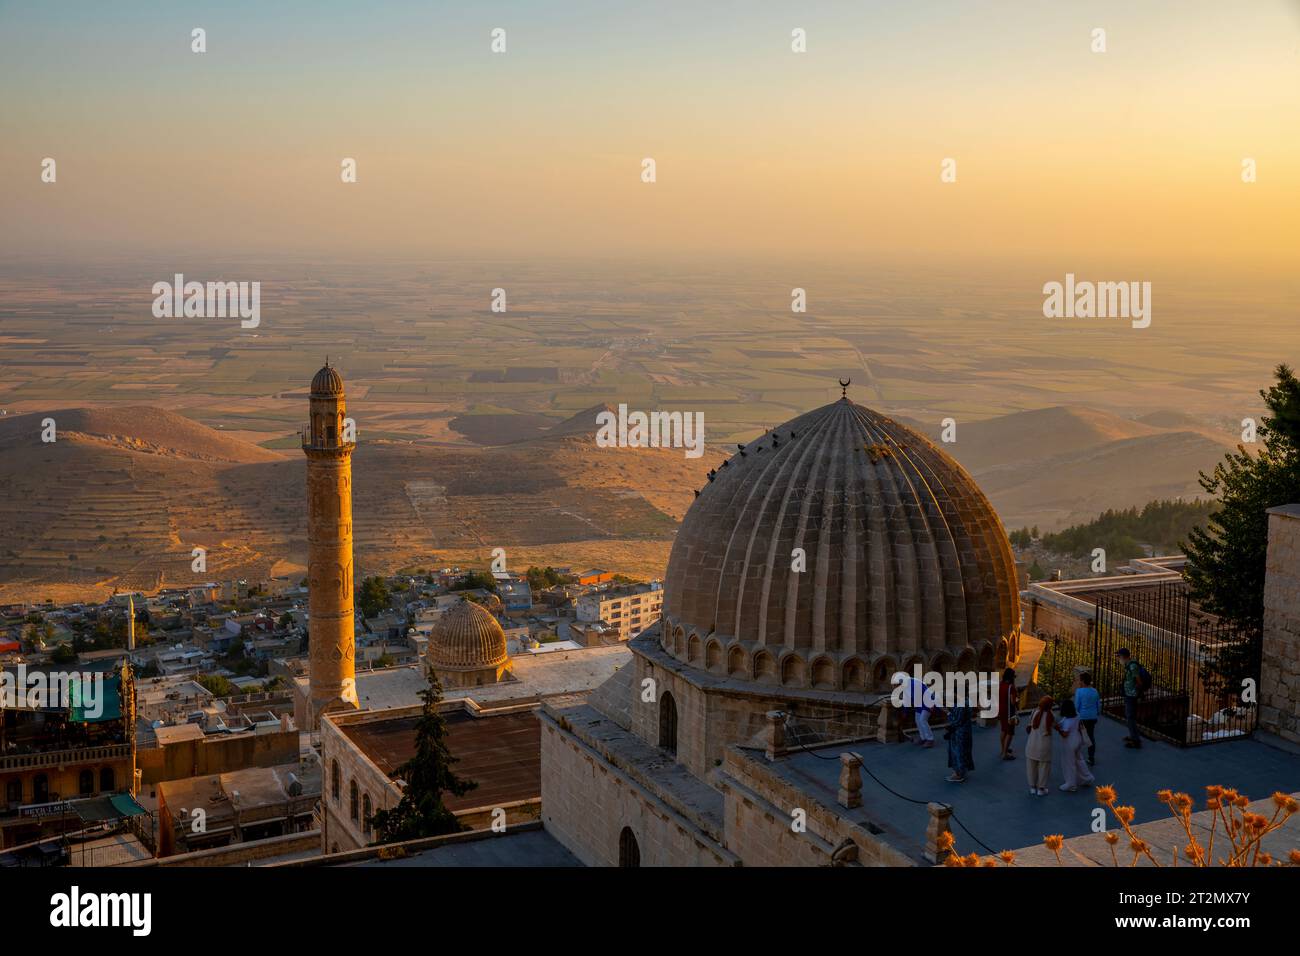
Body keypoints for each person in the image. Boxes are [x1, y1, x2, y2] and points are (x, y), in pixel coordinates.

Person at [1056, 699, 1095, 792]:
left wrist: (1057, 729)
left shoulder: (1067, 721)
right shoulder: (1077, 715)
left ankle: (1071, 784)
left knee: (1069, 764)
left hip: (1069, 743)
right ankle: (1087, 778)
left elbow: (1065, 734)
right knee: (1079, 760)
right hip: (1078, 740)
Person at [1024, 696, 1055, 796]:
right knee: (1044, 767)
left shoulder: (1034, 712)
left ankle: (1032, 787)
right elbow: (1056, 725)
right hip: (1044, 746)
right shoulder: (1051, 715)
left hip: (1032, 744)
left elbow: (1029, 726)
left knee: (1031, 766)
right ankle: (1041, 789)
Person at [900, 673, 937, 748]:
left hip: (927, 703)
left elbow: (926, 691)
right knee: (917, 720)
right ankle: (923, 738)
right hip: (919, 704)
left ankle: (930, 740)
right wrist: (905, 712)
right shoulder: (905, 687)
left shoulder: (914, 683)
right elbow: (906, 700)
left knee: (922, 719)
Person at [1116, 648, 1142, 749]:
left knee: (1130, 717)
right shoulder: (1128, 666)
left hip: (1131, 695)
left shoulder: (1132, 666)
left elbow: (1138, 681)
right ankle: (1133, 736)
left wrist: (1137, 691)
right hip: (1129, 694)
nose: (1118, 658)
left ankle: (1135, 740)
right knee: (1130, 717)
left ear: (1124, 656)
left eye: (1119, 656)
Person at [1073, 672, 1101, 765]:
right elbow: (1098, 705)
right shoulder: (1095, 691)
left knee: (1078, 736)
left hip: (1083, 717)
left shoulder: (1079, 691)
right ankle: (1091, 757)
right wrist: (1096, 714)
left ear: (1083, 681)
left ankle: (1076, 755)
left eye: (1080, 680)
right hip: (1092, 717)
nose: (1079, 682)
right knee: (1090, 736)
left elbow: (1077, 706)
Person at [945, 701, 975, 782]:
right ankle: (961, 771)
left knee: (958, 752)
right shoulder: (967, 701)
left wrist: (947, 712)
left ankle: (959, 774)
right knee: (963, 751)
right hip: (965, 730)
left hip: (959, 732)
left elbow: (957, 720)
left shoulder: (961, 704)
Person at [997, 667, 1019, 760]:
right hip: (1009, 712)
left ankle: (1003, 749)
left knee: (1003, 730)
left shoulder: (1001, 684)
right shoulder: (1011, 687)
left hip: (1001, 709)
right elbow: (1013, 702)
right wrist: (1018, 699)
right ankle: (1005, 754)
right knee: (1010, 732)